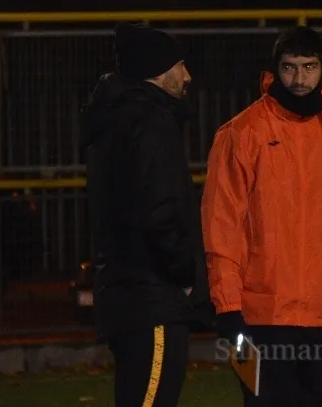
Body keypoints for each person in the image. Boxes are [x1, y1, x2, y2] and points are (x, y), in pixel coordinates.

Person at [201, 25, 322, 407]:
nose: (299, 78)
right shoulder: (242, 133)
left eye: (309, 67)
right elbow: (222, 226)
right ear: (275, 70)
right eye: (290, 67)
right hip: (258, 318)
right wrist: (227, 308)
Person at [81, 22, 211, 407]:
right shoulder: (148, 121)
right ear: (158, 70)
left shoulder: (120, 118)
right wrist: (185, 274)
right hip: (149, 298)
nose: (187, 76)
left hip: (130, 295)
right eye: (180, 65)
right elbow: (158, 210)